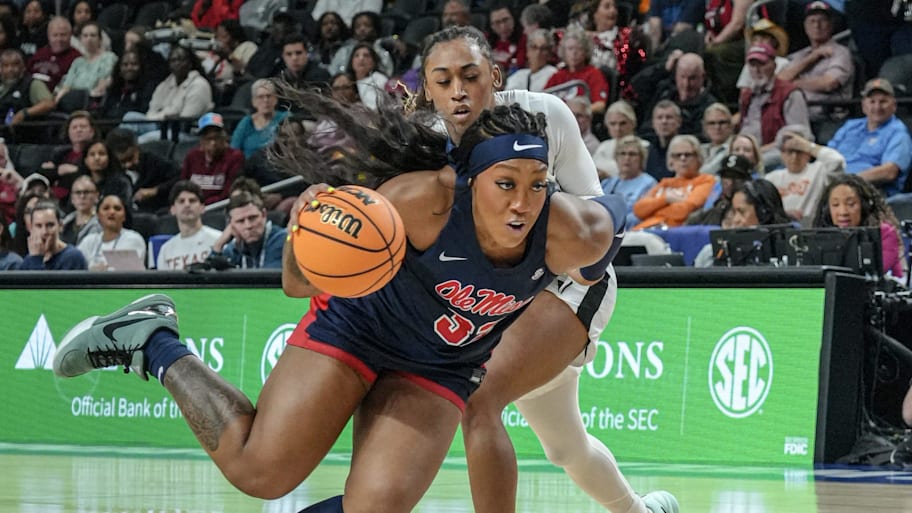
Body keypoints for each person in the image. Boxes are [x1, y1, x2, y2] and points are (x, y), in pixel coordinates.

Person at [53, 88, 629, 513]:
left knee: (374, 509)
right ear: (467, 180)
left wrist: (572, 340)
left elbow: (602, 257)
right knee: (259, 472)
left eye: (537, 183)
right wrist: (308, 228)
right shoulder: (412, 201)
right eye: (505, 183)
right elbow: (298, 283)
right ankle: (153, 340)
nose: (522, 203)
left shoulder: (576, 233)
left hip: (440, 363)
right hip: (362, 324)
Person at [413, 25, 677, 513]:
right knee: (564, 446)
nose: (459, 91)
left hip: (567, 281)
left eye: (470, 76)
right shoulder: (421, 145)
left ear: (494, 74)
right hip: (495, 296)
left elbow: (599, 218)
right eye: (443, 80)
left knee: (479, 398)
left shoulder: (546, 114)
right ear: (426, 89)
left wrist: (581, 270)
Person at [827, 77, 912, 198]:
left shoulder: (898, 133)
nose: (877, 107)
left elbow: (889, 172)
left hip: (869, 191)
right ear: (863, 106)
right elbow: (826, 155)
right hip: (833, 183)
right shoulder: (851, 126)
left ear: (894, 106)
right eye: (872, 101)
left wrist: (847, 181)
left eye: (883, 102)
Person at [813, 173, 905, 279]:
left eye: (851, 204)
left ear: (865, 205)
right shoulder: (822, 235)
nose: (843, 212)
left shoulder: (885, 233)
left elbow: (872, 274)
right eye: (835, 205)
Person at [776, 1, 854, 122]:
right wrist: (812, 57)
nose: (817, 25)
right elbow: (779, 80)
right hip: (794, 114)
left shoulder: (840, 52)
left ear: (831, 25)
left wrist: (794, 84)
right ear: (805, 27)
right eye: (812, 21)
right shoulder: (800, 55)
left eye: (822, 20)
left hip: (826, 116)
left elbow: (828, 84)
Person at [122, 45, 214, 143]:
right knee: (130, 117)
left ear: (190, 63)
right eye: (173, 61)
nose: (176, 64)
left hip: (185, 133)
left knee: (142, 140)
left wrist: (162, 116)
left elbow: (185, 120)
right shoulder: (166, 83)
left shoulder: (199, 85)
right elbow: (151, 111)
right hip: (159, 124)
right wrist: (163, 116)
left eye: (180, 60)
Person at [693, 178, 792, 267]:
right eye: (734, 212)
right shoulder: (710, 254)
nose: (735, 220)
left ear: (764, 213)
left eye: (741, 212)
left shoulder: (792, 254)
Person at [764, 125, 845, 226]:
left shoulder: (819, 171)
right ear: (782, 154)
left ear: (808, 153)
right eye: (789, 151)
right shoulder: (771, 178)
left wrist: (808, 146)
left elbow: (837, 161)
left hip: (811, 230)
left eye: (799, 151)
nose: (794, 157)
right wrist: (784, 215)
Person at [632, 134, 716, 230]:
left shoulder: (706, 180)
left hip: (673, 231)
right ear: (671, 160)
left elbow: (684, 211)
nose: (682, 159)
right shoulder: (665, 183)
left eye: (688, 155)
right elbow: (638, 210)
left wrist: (653, 210)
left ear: (698, 158)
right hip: (644, 228)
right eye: (677, 155)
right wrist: (666, 199)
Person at [737, 42, 809, 149]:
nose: (757, 70)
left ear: (774, 66)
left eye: (762, 64)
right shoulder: (746, 95)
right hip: (747, 151)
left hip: (780, 152)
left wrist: (760, 153)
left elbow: (800, 137)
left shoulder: (790, 93)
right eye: (752, 65)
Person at [105, 128, 180, 215]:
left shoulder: (154, 162)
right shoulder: (112, 170)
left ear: (137, 148)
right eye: (122, 162)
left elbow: (180, 177)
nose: (128, 165)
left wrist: (155, 190)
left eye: (130, 158)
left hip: (154, 212)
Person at [209, 190, 283, 269]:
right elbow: (208, 277)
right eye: (240, 221)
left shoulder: (283, 239)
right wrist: (219, 245)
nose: (248, 226)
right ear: (231, 224)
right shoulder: (234, 248)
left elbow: (267, 279)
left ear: (264, 215)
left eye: (252, 218)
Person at [181, 112, 243, 205]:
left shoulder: (235, 157)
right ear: (201, 140)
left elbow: (228, 193)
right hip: (192, 206)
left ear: (224, 138)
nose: (213, 143)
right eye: (208, 138)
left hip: (218, 208)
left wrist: (201, 205)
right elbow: (182, 187)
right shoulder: (192, 156)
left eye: (216, 138)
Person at [156, 180, 220, 270]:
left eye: (192, 201)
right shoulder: (166, 250)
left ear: (202, 208)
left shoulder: (218, 240)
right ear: (172, 209)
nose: (187, 205)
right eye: (181, 201)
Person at [544, 28, 610, 114]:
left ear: (586, 52)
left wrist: (576, 113)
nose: (574, 53)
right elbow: (543, 100)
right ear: (564, 51)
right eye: (570, 49)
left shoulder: (594, 74)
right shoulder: (557, 76)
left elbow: (600, 105)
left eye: (579, 49)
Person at [39, 110, 97, 204]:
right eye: (74, 127)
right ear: (68, 132)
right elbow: (42, 173)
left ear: (92, 131)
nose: (79, 130)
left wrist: (64, 171)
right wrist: (60, 170)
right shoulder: (61, 153)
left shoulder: (96, 152)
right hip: (52, 196)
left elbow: (89, 175)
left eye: (83, 127)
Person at [77, 193, 145, 271]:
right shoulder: (89, 241)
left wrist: (92, 269)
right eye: (106, 208)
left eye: (117, 208)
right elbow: (77, 266)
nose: (112, 212)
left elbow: (124, 273)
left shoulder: (133, 239)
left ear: (124, 216)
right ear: (98, 215)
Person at [600, 134, 656, 228]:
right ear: (616, 158)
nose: (627, 158)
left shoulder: (649, 184)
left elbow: (641, 215)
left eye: (632, 154)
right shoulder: (607, 183)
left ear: (641, 159)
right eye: (622, 153)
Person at [0, 47, 55, 138]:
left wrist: (24, 113)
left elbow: (49, 104)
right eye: (6, 66)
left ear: (23, 67)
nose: (10, 69)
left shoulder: (32, 84)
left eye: (15, 65)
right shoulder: (2, 85)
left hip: (23, 136)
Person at [55, 20, 115, 102]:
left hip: (91, 100)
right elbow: (66, 86)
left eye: (93, 35)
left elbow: (102, 86)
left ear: (100, 39)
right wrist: (57, 100)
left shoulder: (108, 57)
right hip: (71, 98)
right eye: (85, 36)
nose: (89, 39)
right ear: (81, 40)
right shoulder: (77, 61)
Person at [18, 198, 87, 270]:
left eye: (50, 225)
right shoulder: (29, 260)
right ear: (31, 228)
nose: (44, 232)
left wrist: (37, 260)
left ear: (60, 226)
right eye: (38, 226)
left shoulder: (73, 257)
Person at [688, 153, 753, 226]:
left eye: (736, 177)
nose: (730, 182)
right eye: (726, 177)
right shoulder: (710, 214)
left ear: (747, 180)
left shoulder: (756, 210)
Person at [230, 79, 289, 158]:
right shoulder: (246, 122)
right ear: (254, 101)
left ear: (276, 99)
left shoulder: (286, 118)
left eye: (269, 96)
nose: (265, 100)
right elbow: (233, 150)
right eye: (260, 97)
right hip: (250, 167)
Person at [592, 100, 645, 179]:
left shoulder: (644, 146)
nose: (618, 128)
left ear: (633, 123)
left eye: (622, 123)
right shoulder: (603, 147)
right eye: (613, 124)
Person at [27, 16, 80, 92]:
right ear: (49, 36)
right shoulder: (39, 54)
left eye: (63, 35)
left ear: (70, 36)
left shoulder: (77, 58)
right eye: (55, 35)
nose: (59, 39)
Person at [504, 28, 557, 93]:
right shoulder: (518, 75)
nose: (538, 52)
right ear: (528, 51)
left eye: (543, 49)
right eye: (534, 47)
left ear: (549, 54)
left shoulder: (553, 74)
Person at [642, 99, 681, 181]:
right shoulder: (647, 151)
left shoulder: (686, 150)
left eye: (669, 117)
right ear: (653, 123)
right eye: (659, 118)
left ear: (679, 122)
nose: (664, 121)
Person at [346, 42, 388, 110]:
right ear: (351, 61)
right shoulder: (345, 80)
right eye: (356, 55)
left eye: (366, 55)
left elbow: (377, 107)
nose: (361, 58)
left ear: (373, 62)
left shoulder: (379, 79)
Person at [60, 174, 99, 245]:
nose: (82, 196)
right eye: (78, 192)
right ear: (72, 198)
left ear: (96, 196)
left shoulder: (102, 224)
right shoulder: (65, 222)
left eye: (86, 192)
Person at [699, 102, 735, 175]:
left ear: (731, 125)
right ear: (705, 127)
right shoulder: (699, 149)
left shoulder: (736, 148)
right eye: (712, 123)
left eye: (722, 122)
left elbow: (707, 173)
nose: (717, 127)